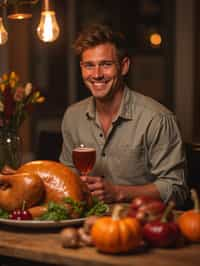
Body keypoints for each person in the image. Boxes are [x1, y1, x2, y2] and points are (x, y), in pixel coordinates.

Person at [59, 23, 188, 208]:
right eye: (89, 65)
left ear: (124, 66)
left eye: (106, 64)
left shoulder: (157, 119)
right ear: (81, 68)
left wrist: (119, 192)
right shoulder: (73, 116)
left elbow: (176, 188)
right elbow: (66, 179)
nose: (96, 74)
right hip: (86, 223)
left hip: (140, 225)